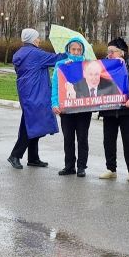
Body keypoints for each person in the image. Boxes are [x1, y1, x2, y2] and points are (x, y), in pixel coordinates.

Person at [7, 28, 62, 169]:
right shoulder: (35, 54)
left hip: (26, 92)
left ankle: (33, 158)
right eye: (37, 38)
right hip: (36, 93)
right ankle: (15, 155)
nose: (39, 40)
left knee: (33, 123)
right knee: (29, 125)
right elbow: (56, 59)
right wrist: (71, 53)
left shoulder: (20, 53)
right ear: (32, 39)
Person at [99, 38, 129, 182]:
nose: (109, 54)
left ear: (122, 53)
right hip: (109, 110)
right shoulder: (103, 65)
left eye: (112, 52)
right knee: (108, 141)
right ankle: (111, 168)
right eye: (108, 52)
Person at [52, 35, 92, 177]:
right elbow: (55, 85)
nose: (76, 52)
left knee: (82, 137)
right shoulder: (61, 64)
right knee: (68, 138)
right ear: (68, 49)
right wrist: (54, 103)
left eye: (79, 49)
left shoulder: (88, 64)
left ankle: (81, 166)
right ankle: (69, 166)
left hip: (83, 108)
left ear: (82, 51)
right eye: (73, 49)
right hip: (66, 107)